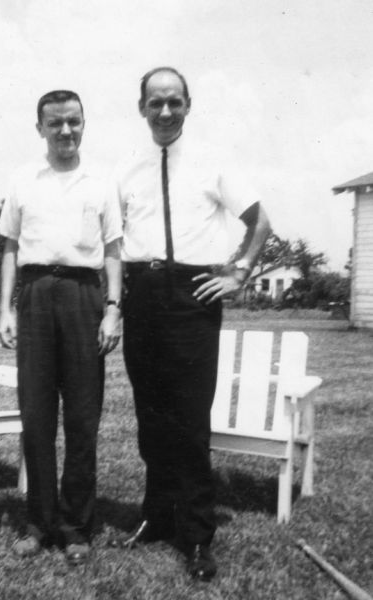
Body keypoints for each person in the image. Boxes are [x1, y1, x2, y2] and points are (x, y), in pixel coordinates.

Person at [114, 66, 271, 581]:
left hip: (192, 297)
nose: (164, 112)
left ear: (187, 106)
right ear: (141, 108)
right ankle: (157, 518)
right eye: (155, 103)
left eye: (174, 102)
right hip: (141, 295)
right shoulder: (127, 170)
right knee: (151, 416)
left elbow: (259, 221)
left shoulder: (212, 163)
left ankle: (198, 536)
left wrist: (240, 272)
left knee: (188, 418)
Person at [0, 89, 122, 566]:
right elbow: (8, 247)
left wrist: (112, 309)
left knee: (83, 418)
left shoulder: (101, 181)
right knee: (36, 417)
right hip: (34, 296)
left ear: (84, 123)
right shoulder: (22, 180)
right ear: (40, 129)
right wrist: (7, 308)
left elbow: (113, 251)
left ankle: (75, 527)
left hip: (83, 297)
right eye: (55, 124)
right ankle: (39, 523)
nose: (65, 131)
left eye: (73, 121)